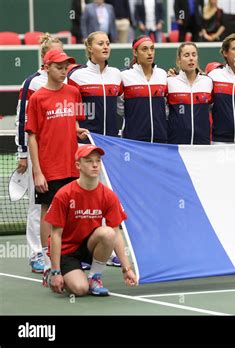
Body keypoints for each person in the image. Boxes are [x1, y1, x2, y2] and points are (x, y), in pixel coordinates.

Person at [24, 49, 89, 286]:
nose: (64, 71)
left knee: (73, 214)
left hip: (73, 165)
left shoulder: (73, 92)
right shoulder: (38, 98)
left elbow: (73, 122)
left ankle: (72, 257)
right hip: (49, 168)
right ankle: (47, 261)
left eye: (66, 68)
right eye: (59, 67)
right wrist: (38, 171)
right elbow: (32, 137)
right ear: (47, 67)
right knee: (48, 213)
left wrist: (77, 130)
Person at [45, 145, 137, 296]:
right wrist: (55, 271)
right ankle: (53, 274)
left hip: (89, 246)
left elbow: (116, 233)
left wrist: (127, 269)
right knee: (80, 290)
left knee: (108, 233)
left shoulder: (108, 195)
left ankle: (95, 277)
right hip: (67, 251)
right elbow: (55, 235)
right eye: (89, 161)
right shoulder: (64, 194)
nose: (95, 165)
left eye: (98, 161)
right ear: (78, 165)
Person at [16, 34, 64, 273]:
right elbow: (22, 119)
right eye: (55, 54)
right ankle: (36, 253)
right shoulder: (32, 83)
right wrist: (23, 153)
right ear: (45, 59)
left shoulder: (67, 83)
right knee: (37, 208)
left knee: (59, 205)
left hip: (59, 157)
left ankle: (57, 252)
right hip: (37, 156)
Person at [68, 31, 123, 137]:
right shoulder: (76, 75)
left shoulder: (116, 73)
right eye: (101, 44)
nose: (106, 47)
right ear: (90, 48)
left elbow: (122, 107)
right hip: (86, 139)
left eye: (108, 43)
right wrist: (76, 130)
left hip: (112, 140)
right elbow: (69, 109)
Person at [120, 35, 168, 143]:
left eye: (152, 48)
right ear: (135, 52)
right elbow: (119, 107)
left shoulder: (162, 74)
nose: (150, 53)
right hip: (134, 140)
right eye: (145, 49)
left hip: (160, 140)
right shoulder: (124, 76)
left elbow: (165, 106)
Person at [167, 42, 213, 144]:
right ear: (179, 60)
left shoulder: (208, 82)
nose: (191, 58)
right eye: (186, 55)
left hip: (202, 143)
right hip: (177, 144)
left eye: (194, 54)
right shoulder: (170, 82)